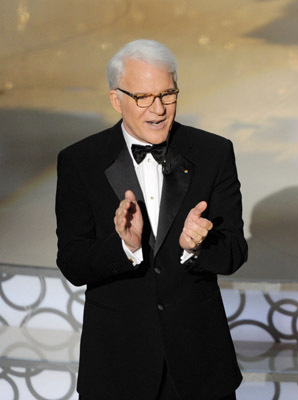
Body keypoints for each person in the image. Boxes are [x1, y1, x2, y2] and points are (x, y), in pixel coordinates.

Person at [55, 39, 247, 400]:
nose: (158, 109)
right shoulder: (80, 161)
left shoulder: (214, 153)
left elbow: (235, 251)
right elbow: (72, 263)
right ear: (116, 99)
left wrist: (198, 247)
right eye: (143, 97)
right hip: (116, 369)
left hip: (200, 368)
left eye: (168, 94)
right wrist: (125, 247)